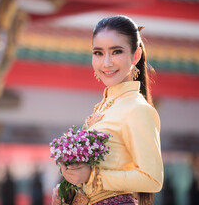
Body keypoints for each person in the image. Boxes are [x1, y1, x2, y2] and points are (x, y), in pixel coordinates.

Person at [52, 15, 163, 205]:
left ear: (135, 55)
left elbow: (153, 179)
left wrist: (93, 177)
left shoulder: (138, 109)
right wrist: (71, 189)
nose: (106, 63)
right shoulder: (103, 107)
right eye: (98, 53)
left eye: (116, 51)